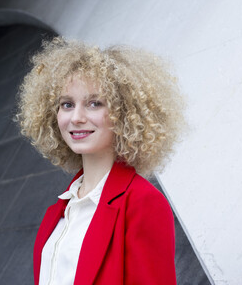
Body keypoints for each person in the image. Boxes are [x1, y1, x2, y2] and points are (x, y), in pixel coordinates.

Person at [16, 37, 185, 284]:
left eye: (94, 103)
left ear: (124, 112)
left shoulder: (142, 202)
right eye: (67, 104)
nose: (76, 117)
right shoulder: (60, 209)